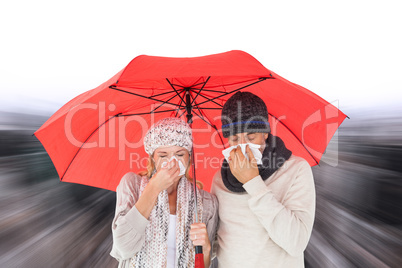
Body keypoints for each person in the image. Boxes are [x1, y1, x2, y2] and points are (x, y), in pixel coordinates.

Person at [211, 92, 315, 267]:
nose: (243, 145)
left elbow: (296, 242)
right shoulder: (219, 180)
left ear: (265, 134)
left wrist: (253, 182)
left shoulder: (296, 169)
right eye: (235, 139)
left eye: (251, 137)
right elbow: (217, 245)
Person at [110, 117, 218, 268]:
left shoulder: (206, 203)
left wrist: (205, 251)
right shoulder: (132, 185)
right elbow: (123, 248)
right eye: (163, 155)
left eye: (180, 154)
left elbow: (203, 265)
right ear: (153, 158)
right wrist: (153, 187)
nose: (172, 162)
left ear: (189, 157)